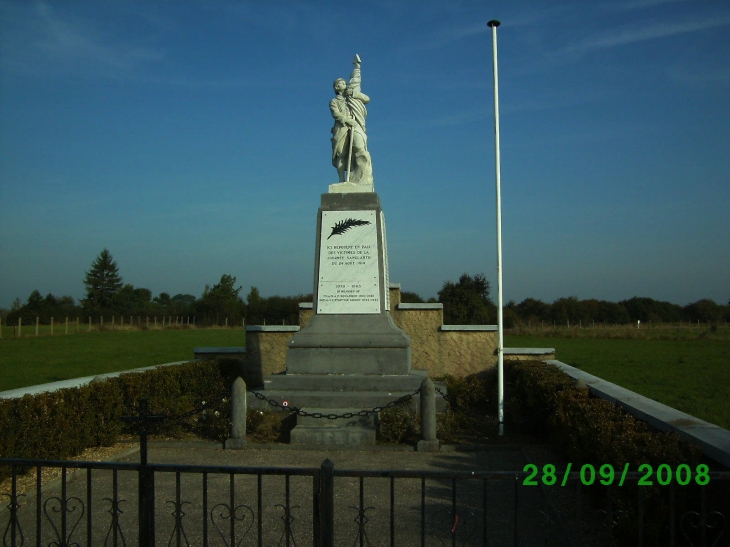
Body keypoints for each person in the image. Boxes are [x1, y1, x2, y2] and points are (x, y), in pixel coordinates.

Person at [330, 55, 373, 185]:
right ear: (336, 87)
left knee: (358, 147)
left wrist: (355, 94)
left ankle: (360, 178)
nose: (344, 84)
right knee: (342, 154)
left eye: (344, 82)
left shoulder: (351, 98)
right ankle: (342, 179)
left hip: (355, 126)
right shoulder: (334, 101)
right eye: (340, 83)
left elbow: (367, 99)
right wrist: (347, 120)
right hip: (342, 128)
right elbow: (335, 114)